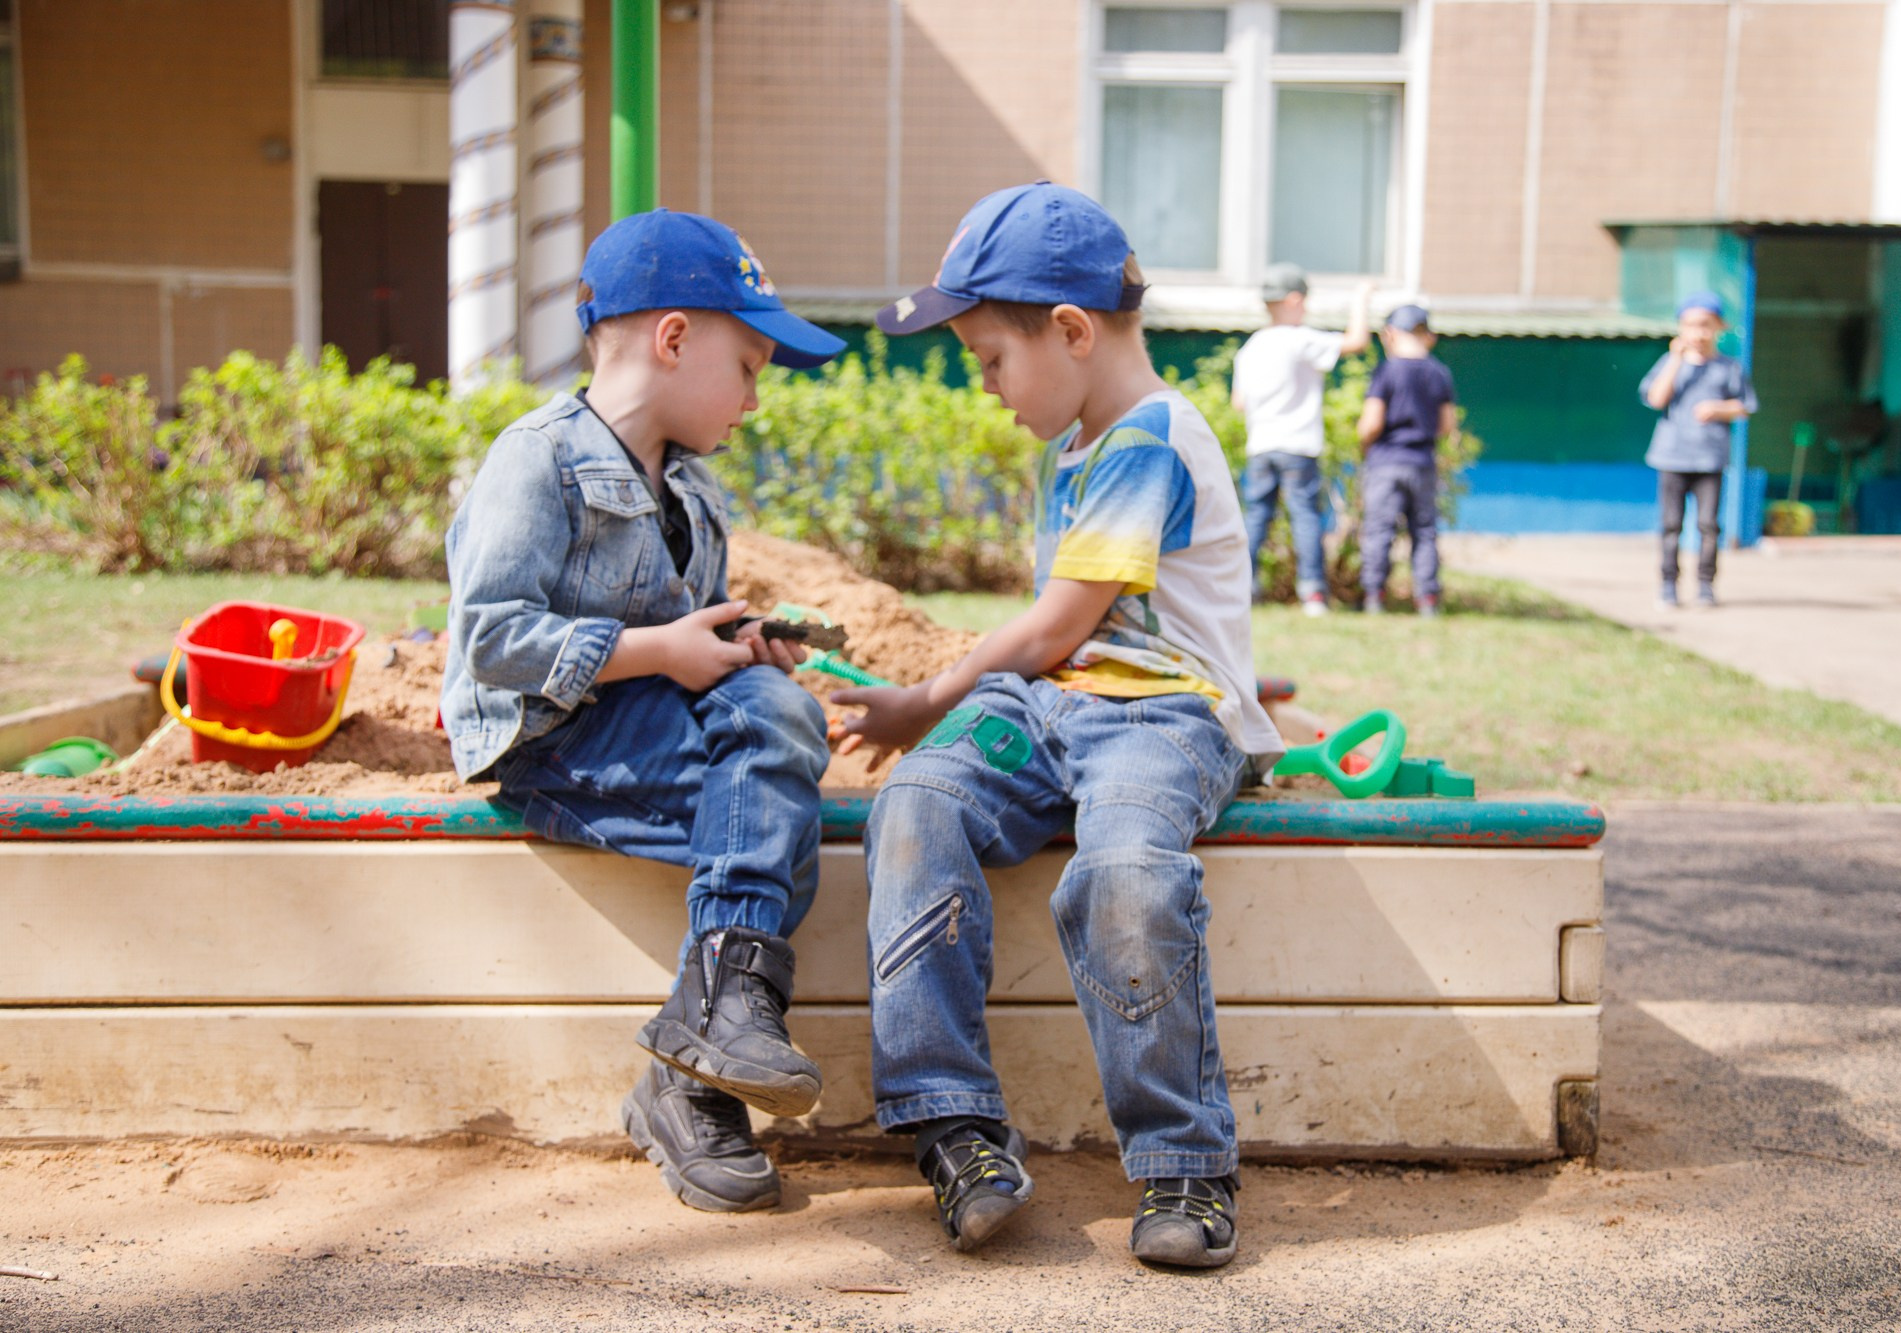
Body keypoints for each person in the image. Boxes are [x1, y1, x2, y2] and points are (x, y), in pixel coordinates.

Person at [843, 182, 1285, 1270]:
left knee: (1123, 871)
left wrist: (927, 697)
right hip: (1055, 709)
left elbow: (1056, 628)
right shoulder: (1082, 442)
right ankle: (954, 1126)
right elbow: (1067, 647)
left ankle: (1183, 1155)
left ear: (1073, 331)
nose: (985, 387)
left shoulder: (1144, 440)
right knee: (914, 804)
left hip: (1157, 719)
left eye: (989, 359)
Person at [440, 210, 847, 1214]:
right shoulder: (534, 457)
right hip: (550, 739)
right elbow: (489, 633)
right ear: (672, 339)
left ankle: (704, 1040)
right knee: (773, 804)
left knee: (772, 755)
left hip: (638, 725)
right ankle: (697, 1060)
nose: (755, 398)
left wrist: (734, 641)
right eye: (748, 366)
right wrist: (664, 652)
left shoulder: (693, 494)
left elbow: (682, 643)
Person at [1231, 264, 1372, 615]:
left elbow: (1239, 403)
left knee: (1256, 517)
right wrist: (1361, 299)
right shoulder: (1301, 338)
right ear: (1295, 300)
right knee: (1305, 516)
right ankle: (1312, 594)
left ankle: (1242, 589)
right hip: (1298, 445)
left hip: (1261, 445)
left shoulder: (1250, 348)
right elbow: (1357, 341)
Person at [1640, 291, 1756, 609]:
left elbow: (1746, 406)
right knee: (1670, 525)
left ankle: (1705, 585)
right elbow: (1655, 399)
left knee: (1708, 525)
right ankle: (1668, 585)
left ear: (1719, 327)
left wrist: (1718, 408)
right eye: (1691, 325)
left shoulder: (1728, 368)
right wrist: (1676, 359)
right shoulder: (1669, 364)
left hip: (1709, 459)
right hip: (1672, 457)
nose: (1699, 333)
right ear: (1681, 328)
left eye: (1706, 325)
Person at [1356, 304, 1456, 616]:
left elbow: (1371, 422)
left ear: (1389, 335)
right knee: (1424, 532)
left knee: (1379, 531)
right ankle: (1427, 600)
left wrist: (1363, 445)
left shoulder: (1387, 371)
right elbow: (1446, 425)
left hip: (1386, 461)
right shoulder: (1440, 373)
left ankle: (1374, 597)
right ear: (1430, 337)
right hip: (1422, 462)